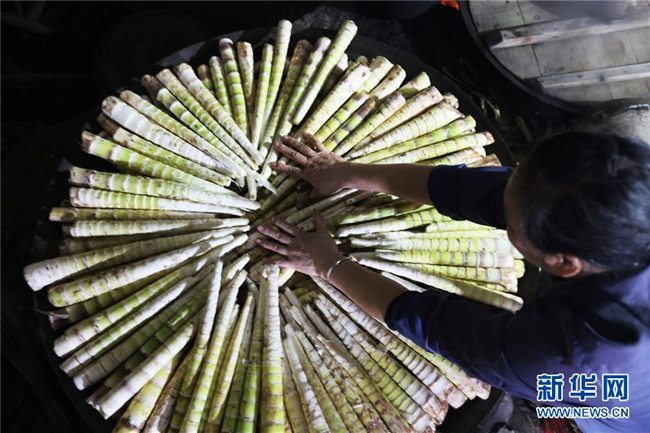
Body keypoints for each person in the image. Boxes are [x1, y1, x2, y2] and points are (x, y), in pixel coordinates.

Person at [256, 131, 650, 433]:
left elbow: (433, 324)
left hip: (620, 401)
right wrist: (348, 173)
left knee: (577, 405)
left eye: (511, 226)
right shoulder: (625, 200)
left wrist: (328, 265)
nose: (504, 217)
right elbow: (478, 192)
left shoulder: (568, 355)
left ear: (564, 263)